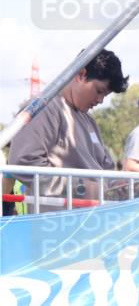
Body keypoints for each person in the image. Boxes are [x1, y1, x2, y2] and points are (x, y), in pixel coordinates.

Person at [8, 49, 128, 206]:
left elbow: (106, 169)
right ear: (81, 74)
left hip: (94, 220)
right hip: (59, 224)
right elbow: (22, 163)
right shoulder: (41, 108)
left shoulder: (89, 121)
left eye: (105, 95)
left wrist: (117, 185)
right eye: (99, 91)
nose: (100, 100)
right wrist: (80, 188)